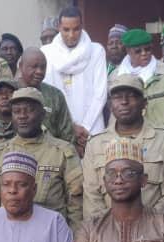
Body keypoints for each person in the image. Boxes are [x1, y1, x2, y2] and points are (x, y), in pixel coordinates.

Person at [0, 87, 83, 231]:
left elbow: (76, 206)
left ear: (42, 114)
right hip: (7, 234)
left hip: (51, 234)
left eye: (29, 110)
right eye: (17, 111)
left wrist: (74, 239)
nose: (22, 116)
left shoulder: (63, 152)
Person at [84, 74, 164, 216]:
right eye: (117, 97)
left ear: (144, 103)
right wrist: (108, 225)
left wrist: (147, 223)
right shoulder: (95, 144)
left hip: (155, 225)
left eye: (131, 96)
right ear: (110, 105)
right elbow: (91, 196)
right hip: (105, 227)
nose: (124, 102)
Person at [41, 6, 108, 141]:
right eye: (66, 30)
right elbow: (48, 95)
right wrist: (70, 127)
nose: (71, 35)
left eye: (76, 29)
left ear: (82, 26)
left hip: (91, 128)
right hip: (60, 128)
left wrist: (85, 127)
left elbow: (100, 94)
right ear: (59, 27)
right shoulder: (46, 53)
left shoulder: (96, 51)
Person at [14, 48, 76, 143]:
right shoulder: (8, 92)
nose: (39, 71)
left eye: (43, 67)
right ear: (21, 66)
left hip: (51, 150)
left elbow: (67, 134)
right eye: (34, 67)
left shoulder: (55, 95)